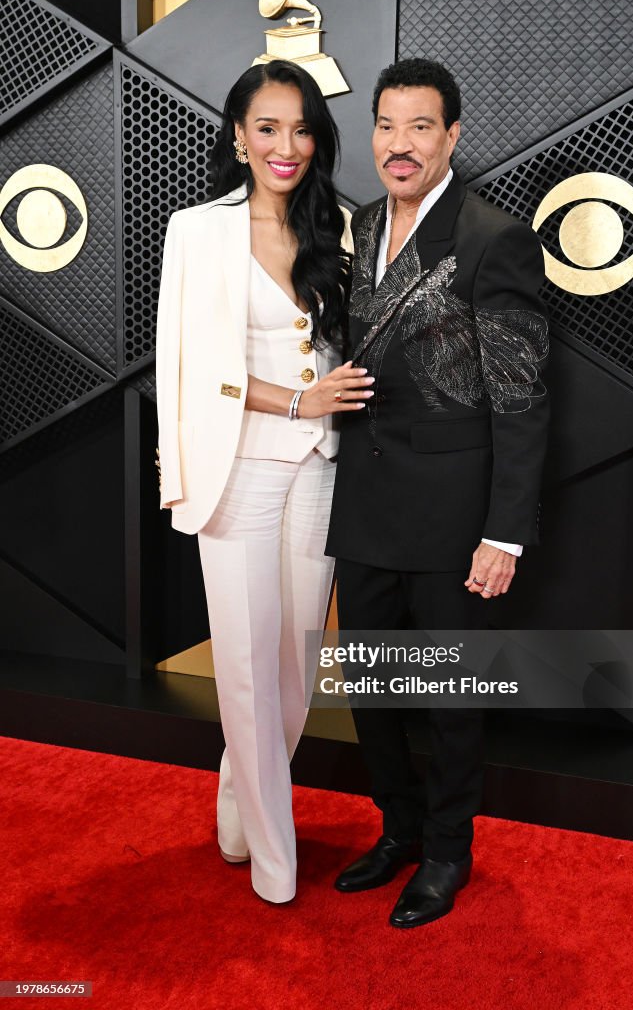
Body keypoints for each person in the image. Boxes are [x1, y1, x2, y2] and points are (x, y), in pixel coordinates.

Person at [325, 58, 550, 927]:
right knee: (371, 687)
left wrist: (506, 533)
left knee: (451, 698)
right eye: (386, 126)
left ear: (451, 135)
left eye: (420, 126)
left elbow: (522, 396)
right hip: (364, 503)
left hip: (454, 514)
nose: (399, 144)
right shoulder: (361, 227)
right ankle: (399, 830)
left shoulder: (493, 237)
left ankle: (448, 854)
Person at [154, 59, 372, 904]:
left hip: (319, 468)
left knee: (295, 669)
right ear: (239, 136)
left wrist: (326, 403)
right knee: (244, 666)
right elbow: (184, 366)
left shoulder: (340, 227)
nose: (287, 146)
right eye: (269, 127)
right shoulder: (196, 230)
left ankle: (240, 802)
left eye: (302, 128)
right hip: (236, 469)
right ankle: (276, 862)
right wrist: (297, 402)